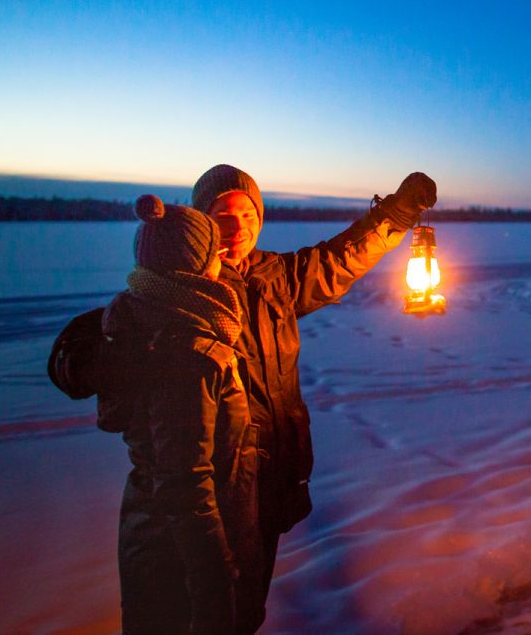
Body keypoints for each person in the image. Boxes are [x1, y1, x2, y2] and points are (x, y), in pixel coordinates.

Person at [190, 164, 436, 631]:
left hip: (269, 476)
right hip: (212, 490)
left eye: (247, 214)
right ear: (201, 220)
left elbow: (339, 258)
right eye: (223, 214)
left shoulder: (273, 277)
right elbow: (119, 329)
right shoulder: (187, 290)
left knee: (246, 610)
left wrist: (396, 216)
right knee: (210, 613)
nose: (237, 227)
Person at [104, 194, 259, 634]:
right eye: (214, 251)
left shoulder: (150, 315)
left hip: (154, 540)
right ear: (200, 263)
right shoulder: (186, 349)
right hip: (176, 561)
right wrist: (214, 579)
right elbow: (183, 485)